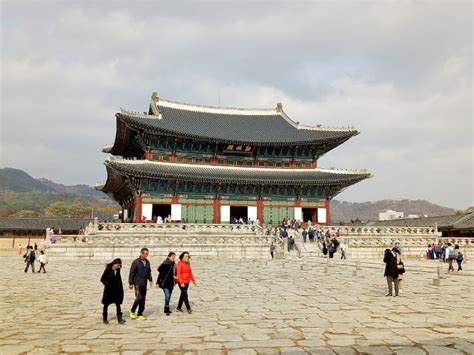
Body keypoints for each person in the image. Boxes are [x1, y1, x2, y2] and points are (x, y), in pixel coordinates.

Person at [129, 247, 153, 320]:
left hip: (144, 283)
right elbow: (131, 273)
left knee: (143, 299)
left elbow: (149, 272)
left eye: (147, 254)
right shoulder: (136, 262)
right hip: (137, 283)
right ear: (141, 253)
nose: (146, 255)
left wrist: (150, 280)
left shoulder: (147, 262)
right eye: (145, 254)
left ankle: (140, 313)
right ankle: (132, 311)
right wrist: (130, 283)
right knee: (139, 297)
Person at [101, 258, 126, 324]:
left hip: (116, 290)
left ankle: (119, 319)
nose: (118, 266)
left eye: (119, 265)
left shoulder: (118, 270)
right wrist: (107, 285)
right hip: (108, 291)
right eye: (117, 265)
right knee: (106, 304)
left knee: (118, 304)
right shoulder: (108, 269)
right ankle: (105, 318)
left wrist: (120, 288)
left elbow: (119, 279)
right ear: (114, 264)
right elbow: (102, 279)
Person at [157, 252, 176, 316]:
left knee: (169, 296)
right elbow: (160, 273)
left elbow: (175, 272)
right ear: (169, 257)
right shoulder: (165, 263)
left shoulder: (174, 264)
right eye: (172, 257)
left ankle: (166, 307)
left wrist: (175, 277)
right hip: (165, 283)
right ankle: (167, 309)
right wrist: (157, 282)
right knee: (167, 296)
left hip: (171, 283)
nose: (173, 258)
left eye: (174, 257)